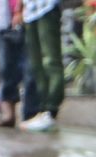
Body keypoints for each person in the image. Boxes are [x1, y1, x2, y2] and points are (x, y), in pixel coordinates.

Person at [18, 0, 63, 132]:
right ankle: (42, 109)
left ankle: (51, 110)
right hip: (30, 10)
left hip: (47, 6)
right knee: (36, 63)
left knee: (51, 60)